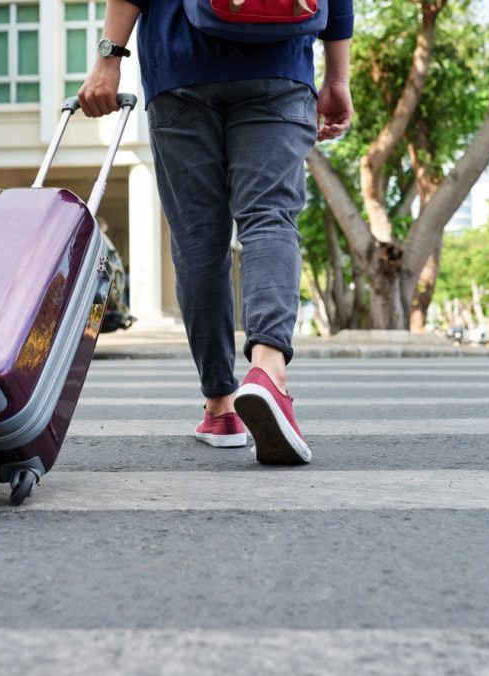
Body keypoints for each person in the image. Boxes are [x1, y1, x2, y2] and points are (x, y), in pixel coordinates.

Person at [79, 0, 353, 465]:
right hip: (279, 62)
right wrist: (336, 78)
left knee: (198, 240)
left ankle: (221, 405)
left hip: (180, 66)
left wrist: (109, 59)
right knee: (269, 216)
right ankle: (268, 372)